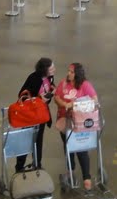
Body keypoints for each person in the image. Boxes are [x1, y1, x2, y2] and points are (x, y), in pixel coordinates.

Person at [54, 63, 97, 191]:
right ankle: (70, 170)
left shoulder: (85, 85)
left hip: (80, 122)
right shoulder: (63, 83)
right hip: (64, 120)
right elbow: (56, 97)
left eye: (71, 72)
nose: (68, 73)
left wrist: (75, 104)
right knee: (68, 147)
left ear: (77, 74)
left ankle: (86, 178)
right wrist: (64, 104)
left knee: (81, 149)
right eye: (68, 71)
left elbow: (94, 100)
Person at [15, 57, 55, 172]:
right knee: (26, 140)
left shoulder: (50, 77)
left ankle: (37, 163)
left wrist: (52, 90)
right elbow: (22, 96)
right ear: (44, 70)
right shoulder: (33, 78)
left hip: (41, 115)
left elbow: (51, 85)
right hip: (31, 116)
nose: (54, 70)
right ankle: (19, 166)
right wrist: (37, 98)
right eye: (51, 68)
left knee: (39, 140)